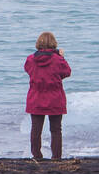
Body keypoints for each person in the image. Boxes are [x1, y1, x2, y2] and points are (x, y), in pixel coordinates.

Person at [24, 31, 71, 161]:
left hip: (36, 97)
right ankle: (56, 157)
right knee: (56, 130)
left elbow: (28, 70)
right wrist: (61, 57)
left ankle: (37, 156)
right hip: (55, 98)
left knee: (36, 130)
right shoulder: (57, 60)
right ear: (53, 44)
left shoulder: (30, 59)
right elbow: (67, 72)